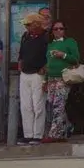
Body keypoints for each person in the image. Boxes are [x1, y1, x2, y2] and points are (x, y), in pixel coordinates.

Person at [44, 21, 82, 141]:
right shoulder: (50, 44)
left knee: (58, 105)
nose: (58, 31)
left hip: (63, 78)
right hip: (51, 78)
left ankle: (54, 134)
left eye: (61, 28)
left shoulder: (70, 42)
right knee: (51, 103)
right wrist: (45, 80)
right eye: (56, 29)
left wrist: (63, 55)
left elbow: (76, 59)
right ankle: (67, 127)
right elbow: (48, 63)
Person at [16, 14, 50, 144]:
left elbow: (50, 53)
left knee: (38, 105)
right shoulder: (25, 36)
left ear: (36, 24)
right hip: (25, 73)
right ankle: (28, 134)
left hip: (38, 74)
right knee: (26, 106)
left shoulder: (46, 37)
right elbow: (21, 53)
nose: (26, 27)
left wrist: (45, 67)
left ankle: (37, 135)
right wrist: (20, 62)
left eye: (29, 24)